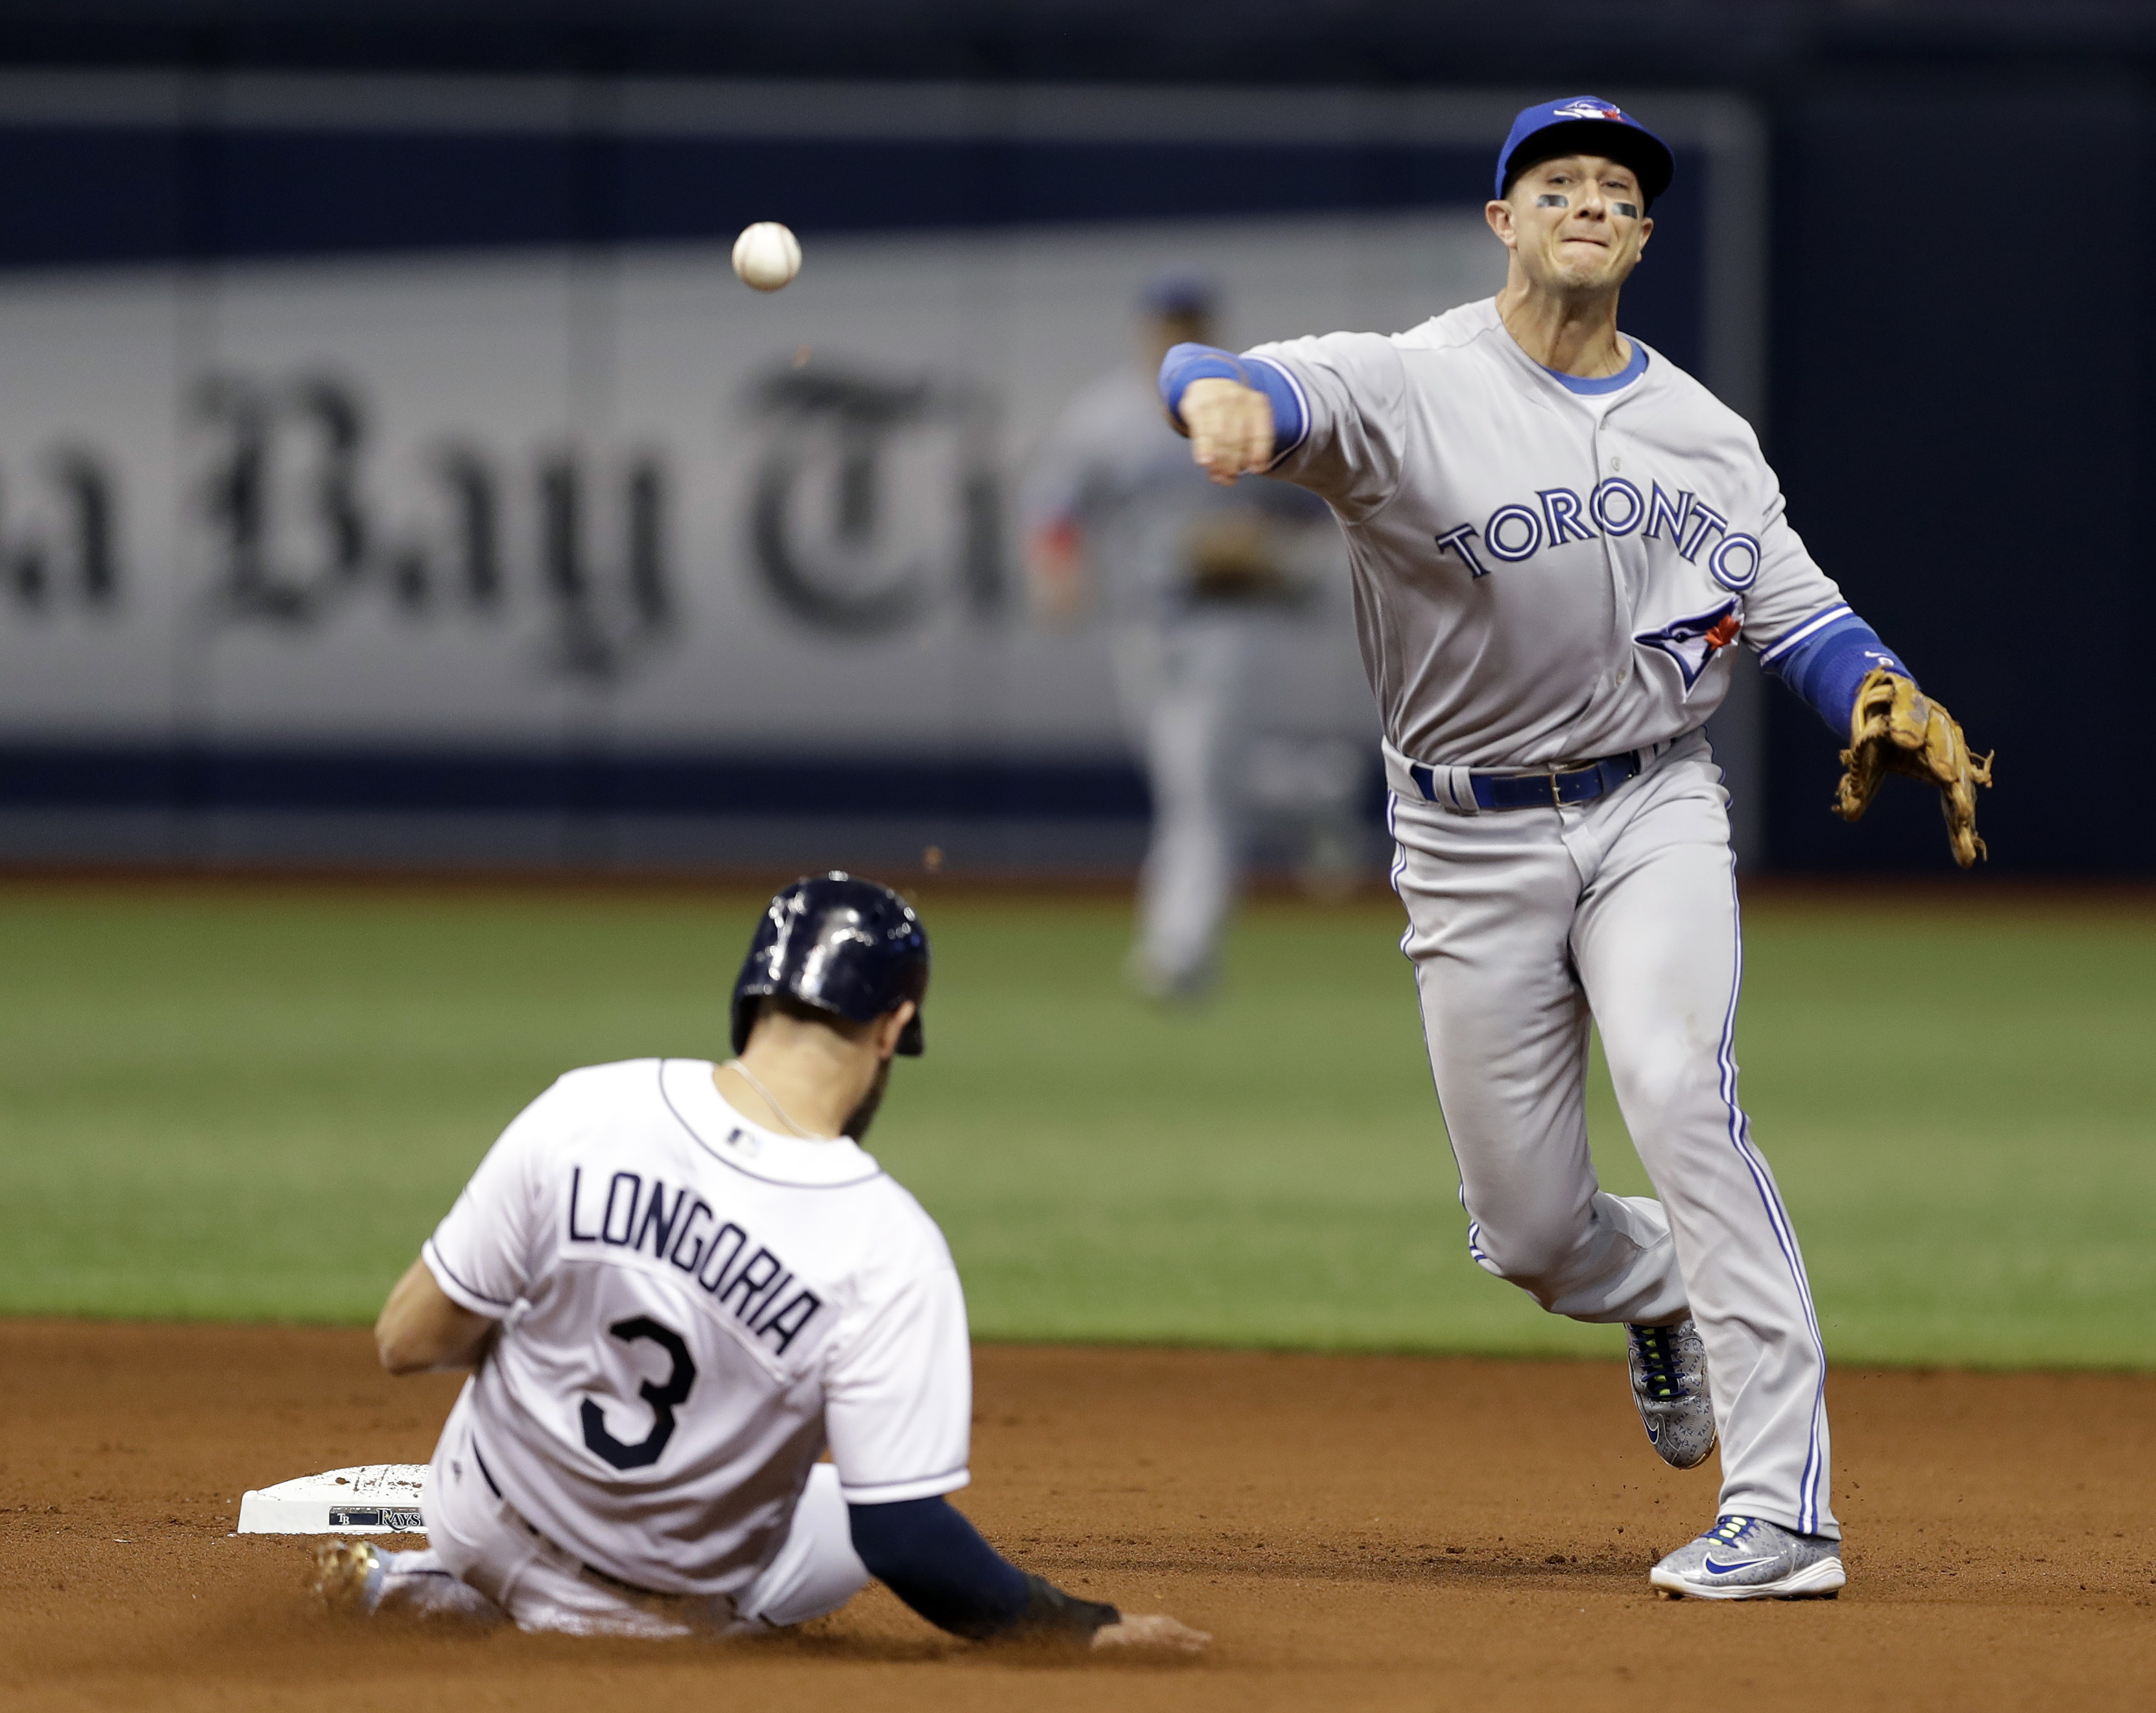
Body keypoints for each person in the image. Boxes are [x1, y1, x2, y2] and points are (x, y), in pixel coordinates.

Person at [1160, 97, 1987, 1599]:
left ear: (1643, 233)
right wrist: (1219, 410)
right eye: (1558, 182)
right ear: (1502, 221)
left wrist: (1878, 689)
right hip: (1458, 838)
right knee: (1533, 1236)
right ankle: (1661, 1288)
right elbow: (1227, 376)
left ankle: (1781, 1509)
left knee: (1677, 1082)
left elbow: (1797, 615)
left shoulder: (1698, 432)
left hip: (1646, 807)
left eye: (1617, 186)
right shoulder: (1405, 384)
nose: (1590, 200)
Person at [310, 872, 1206, 1651]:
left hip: (476, 1512)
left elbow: (408, 1341)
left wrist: (563, 1325)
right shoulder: (886, 1243)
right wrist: (1080, 1624)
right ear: (892, 1029)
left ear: (754, 999)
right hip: (642, 1616)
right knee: (852, 1508)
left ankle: (435, 1582)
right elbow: (905, 1538)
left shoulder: (586, 1109)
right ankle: (541, 1610)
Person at [1025, 270, 1346, 998]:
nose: (1176, 331)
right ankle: (1306, 790)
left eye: (1190, 319)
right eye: (1167, 321)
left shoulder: (1252, 403)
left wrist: (1264, 542)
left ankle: (1179, 953)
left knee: (1196, 787)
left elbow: (1323, 506)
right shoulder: (1108, 414)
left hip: (1231, 618)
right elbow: (1054, 503)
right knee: (1189, 774)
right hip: (1143, 624)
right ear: (1145, 330)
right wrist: (1058, 572)